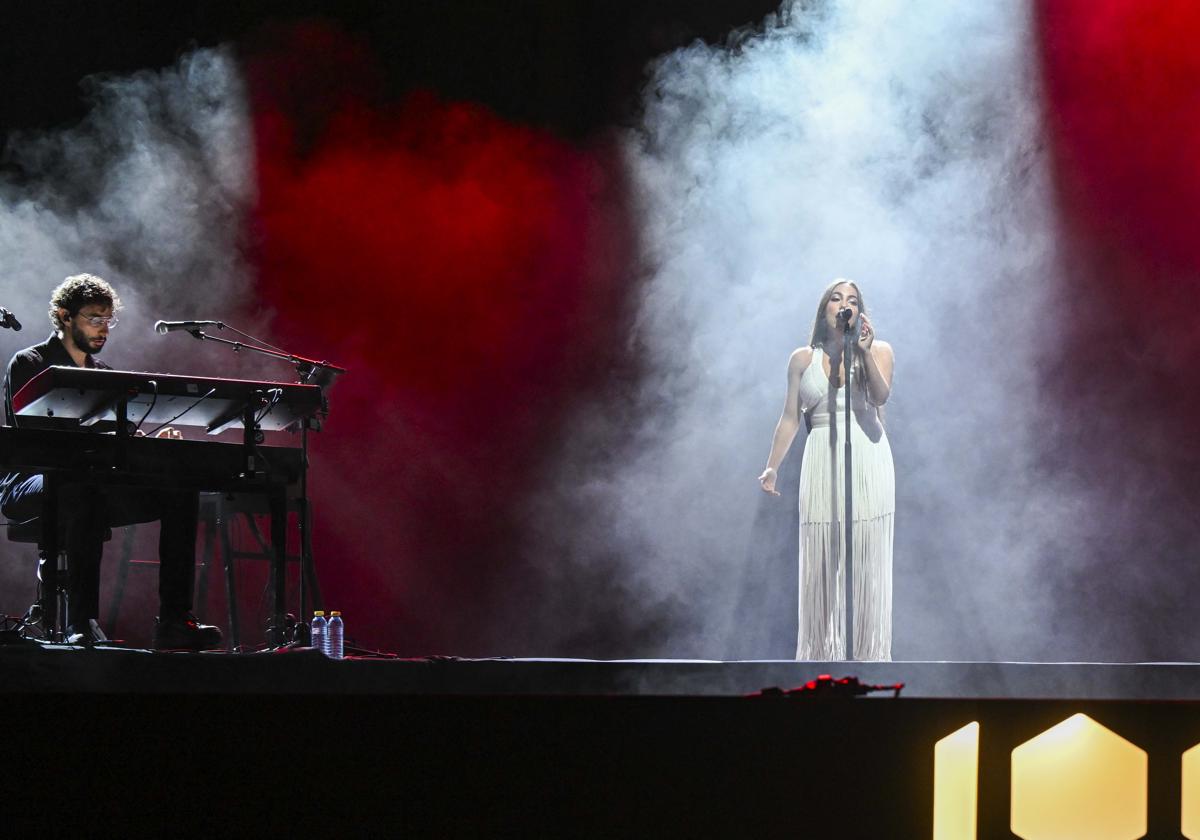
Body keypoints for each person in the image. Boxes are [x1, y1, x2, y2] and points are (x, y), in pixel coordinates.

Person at [0, 273, 221, 649]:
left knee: (180, 489)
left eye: (108, 320)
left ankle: (174, 620)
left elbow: (121, 441)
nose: (104, 329)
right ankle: (80, 622)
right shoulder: (31, 362)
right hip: (29, 483)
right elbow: (34, 438)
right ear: (64, 316)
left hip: (89, 482)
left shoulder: (105, 375)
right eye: (94, 319)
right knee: (81, 483)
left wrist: (153, 446)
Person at [758, 278, 895, 661]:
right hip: (821, 455)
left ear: (860, 312)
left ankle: (871, 660)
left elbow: (880, 396)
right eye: (836, 299)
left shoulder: (879, 350)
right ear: (824, 310)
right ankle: (820, 661)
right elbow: (788, 418)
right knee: (822, 563)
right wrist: (772, 468)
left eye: (851, 300)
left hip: (868, 454)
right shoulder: (802, 359)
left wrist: (864, 353)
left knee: (868, 565)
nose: (843, 305)